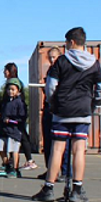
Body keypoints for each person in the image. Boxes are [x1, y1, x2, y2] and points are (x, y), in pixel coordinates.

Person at [32, 27, 101, 202]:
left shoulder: (61, 62)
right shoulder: (95, 63)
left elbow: (50, 87)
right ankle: (77, 189)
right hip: (83, 110)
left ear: (71, 42)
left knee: (57, 149)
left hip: (62, 111)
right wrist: (94, 104)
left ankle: (49, 188)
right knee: (79, 149)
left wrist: (53, 104)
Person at [37, 47, 71, 182]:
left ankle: (65, 171)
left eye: (54, 57)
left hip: (60, 110)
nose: (52, 60)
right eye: (50, 57)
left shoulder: (64, 70)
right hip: (48, 108)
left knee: (63, 143)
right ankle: (51, 170)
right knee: (48, 142)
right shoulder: (51, 71)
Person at [0, 78, 27, 178]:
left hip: (14, 131)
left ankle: (15, 169)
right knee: (0, 148)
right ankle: (7, 165)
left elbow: (22, 117)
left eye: (13, 89)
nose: (10, 91)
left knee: (13, 150)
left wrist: (12, 119)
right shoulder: (4, 102)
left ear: (18, 91)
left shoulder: (20, 103)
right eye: (9, 89)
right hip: (3, 130)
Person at [2, 63, 37, 171]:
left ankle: (29, 161)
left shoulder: (15, 83)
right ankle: (15, 160)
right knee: (19, 138)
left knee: (22, 138)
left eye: (5, 70)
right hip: (14, 117)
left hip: (16, 117)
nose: (4, 72)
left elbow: (18, 101)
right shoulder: (9, 83)